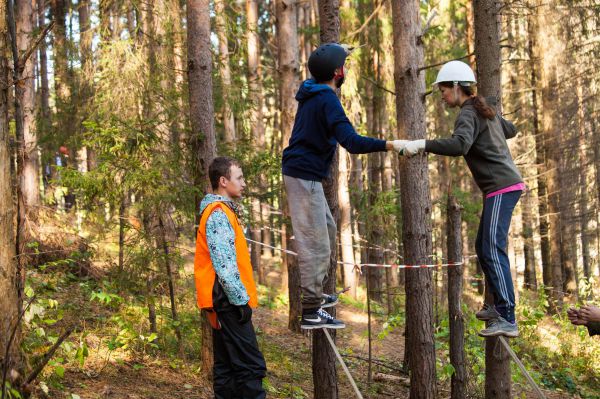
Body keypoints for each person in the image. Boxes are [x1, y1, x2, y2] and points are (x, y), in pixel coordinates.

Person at [282, 43, 405, 329]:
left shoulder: (313, 91)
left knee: (326, 229)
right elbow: (351, 142)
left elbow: (315, 74)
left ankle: (316, 296)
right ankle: (311, 309)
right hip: (302, 173)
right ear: (338, 71)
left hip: (305, 172)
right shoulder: (326, 99)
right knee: (315, 241)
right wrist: (390, 145)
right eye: (344, 64)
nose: (346, 68)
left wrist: (339, 50)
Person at [399, 61, 523, 338]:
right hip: (501, 187)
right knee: (483, 246)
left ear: (457, 87)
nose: (442, 96)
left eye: (443, 90)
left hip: (503, 186)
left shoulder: (469, 112)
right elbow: (511, 129)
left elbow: (459, 145)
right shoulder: (481, 109)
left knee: (492, 247)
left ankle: (507, 316)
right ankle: (498, 307)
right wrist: (493, 116)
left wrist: (422, 144)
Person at [194, 156, 267, 398]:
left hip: (222, 300)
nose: (244, 183)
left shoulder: (221, 212)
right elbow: (224, 265)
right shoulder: (218, 214)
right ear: (223, 181)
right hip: (227, 300)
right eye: (239, 178)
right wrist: (240, 301)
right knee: (250, 367)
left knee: (227, 368)